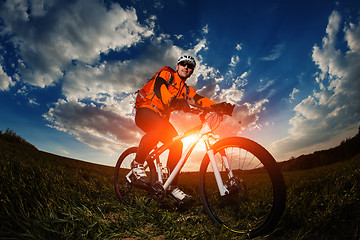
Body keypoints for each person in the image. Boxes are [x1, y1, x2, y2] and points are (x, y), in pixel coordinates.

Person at [132, 55, 231, 204]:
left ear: (191, 71)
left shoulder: (186, 89)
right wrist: (172, 100)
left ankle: (171, 187)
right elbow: (160, 88)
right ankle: (137, 164)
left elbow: (199, 99)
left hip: (161, 119)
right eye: (183, 64)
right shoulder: (167, 74)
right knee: (158, 127)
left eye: (190, 66)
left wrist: (217, 106)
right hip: (145, 110)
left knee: (177, 144)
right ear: (177, 66)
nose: (186, 67)